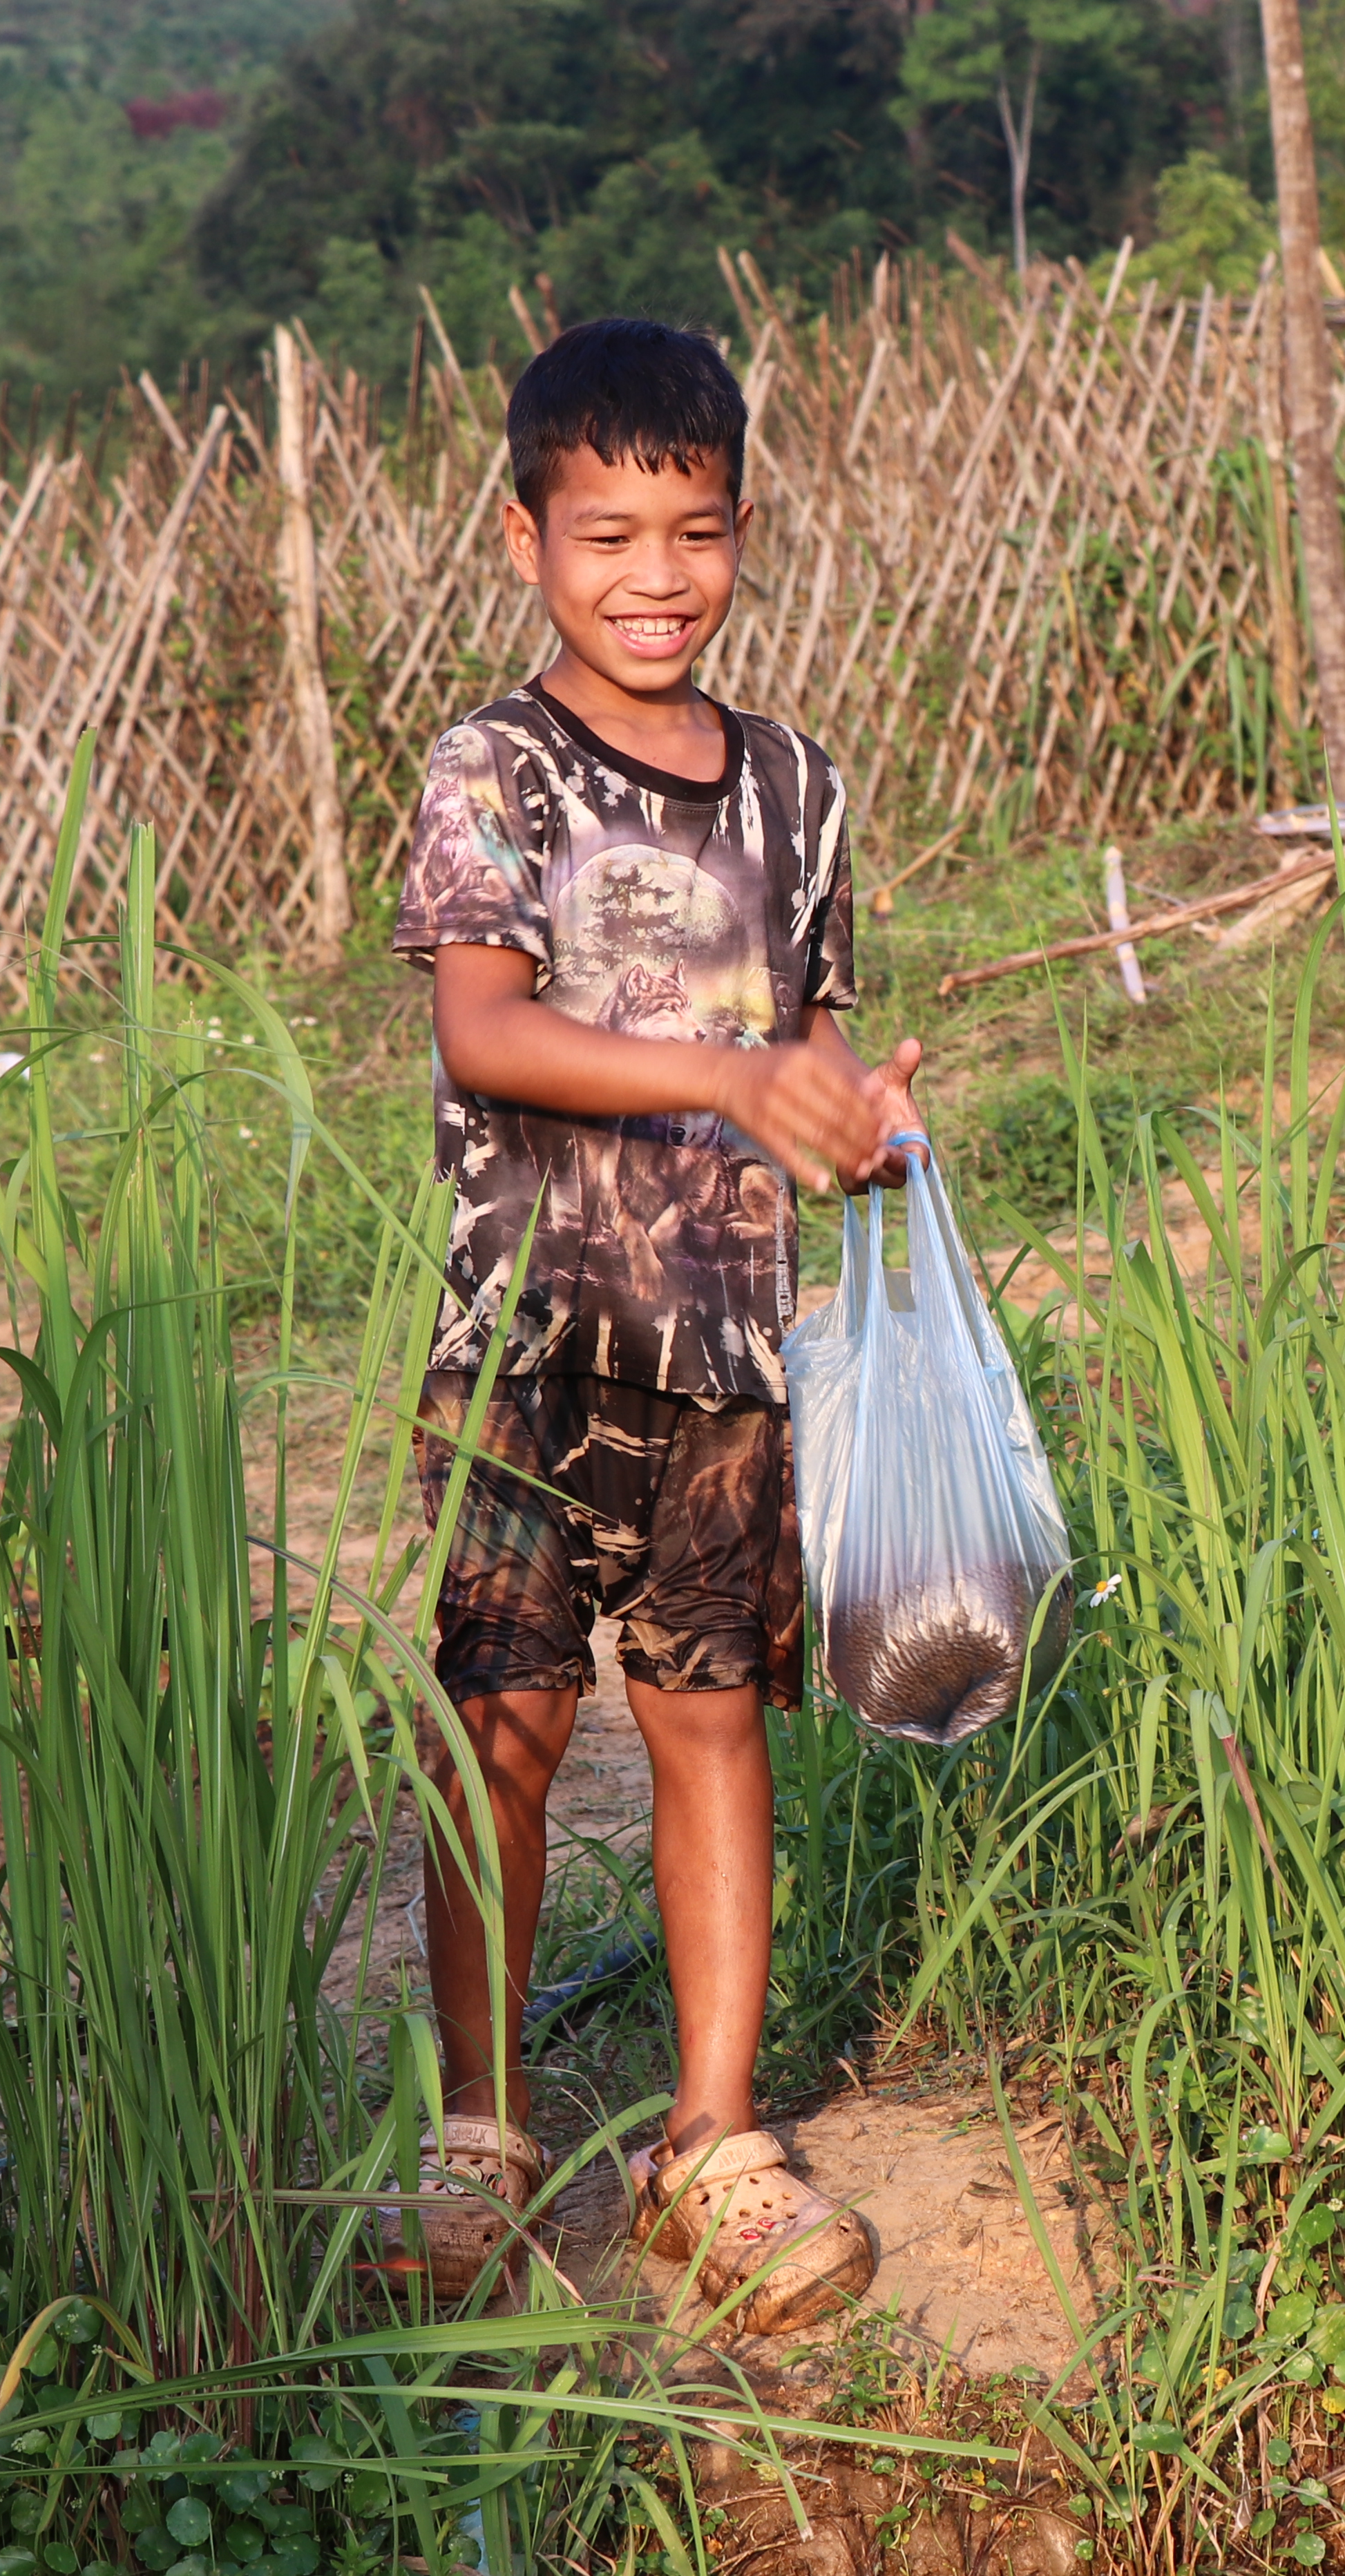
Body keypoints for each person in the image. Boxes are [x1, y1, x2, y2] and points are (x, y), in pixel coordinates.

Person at [389, 315, 917, 2331]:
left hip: (724, 1349)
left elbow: (815, 1048)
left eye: (692, 531)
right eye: (608, 532)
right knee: (500, 1725)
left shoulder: (794, 784)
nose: (654, 575)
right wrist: (726, 1081)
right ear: (527, 536)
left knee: (709, 1719)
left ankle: (711, 2142)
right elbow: (487, 1024)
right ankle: (480, 2133)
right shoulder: (495, 767)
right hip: (525, 1340)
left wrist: (853, 1124)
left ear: (744, 529)